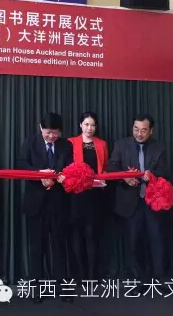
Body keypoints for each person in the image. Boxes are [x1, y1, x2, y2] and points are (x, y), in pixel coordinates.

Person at [17, 112, 73, 303]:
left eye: (55, 133)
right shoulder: (30, 143)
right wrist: (38, 174)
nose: (51, 136)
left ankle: (63, 288)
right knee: (36, 247)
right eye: (48, 132)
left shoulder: (66, 145)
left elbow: (71, 167)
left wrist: (64, 176)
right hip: (36, 203)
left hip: (58, 203)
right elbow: (21, 164)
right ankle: (36, 289)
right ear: (41, 128)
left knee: (59, 246)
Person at [107, 114, 167, 286]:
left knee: (156, 239)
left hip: (152, 201)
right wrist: (125, 177)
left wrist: (152, 176)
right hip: (130, 201)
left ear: (151, 131)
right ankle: (139, 280)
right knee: (133, 242)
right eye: (136, 129)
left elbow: (165, 171)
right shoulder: (121, 145)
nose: (139, 134)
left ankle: (159, 279)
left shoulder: (158, 148)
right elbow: (112, 167)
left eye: (143, 130)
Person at [67, 112, 109, 283]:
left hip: (95, 195)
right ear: (80, 125)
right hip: (76, 195)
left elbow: (105, 168)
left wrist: (104, 178)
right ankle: (79, 275)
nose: (89, 128)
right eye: (86, 124)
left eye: (92, 125)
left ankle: (92, 275)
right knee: (76, 234)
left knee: (92, 234)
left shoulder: (102, 144)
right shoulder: (71, 142)